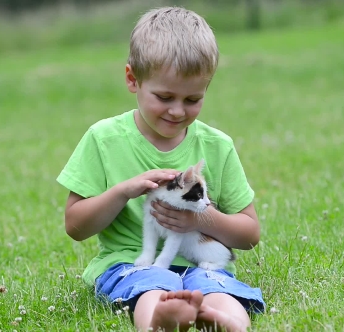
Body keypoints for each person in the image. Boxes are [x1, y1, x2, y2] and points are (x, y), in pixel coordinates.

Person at [57, 6, 265, 332]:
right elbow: (76, 226)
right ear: (132, 80)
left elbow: (250, 234)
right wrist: (124, 190)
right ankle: (159, 322)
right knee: (150, 286)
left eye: (193, 99)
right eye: (165, 96)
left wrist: (201, 217)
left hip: (201, 264)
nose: (178, 111)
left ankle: (229, 323)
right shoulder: (104, 139)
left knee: (220, 289)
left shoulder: (217, 145)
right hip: (133, 263)